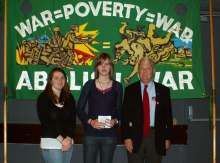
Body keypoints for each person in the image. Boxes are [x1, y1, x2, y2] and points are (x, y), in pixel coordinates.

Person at [121, 57, 173, 163]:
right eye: (141, 68)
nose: (144, 71)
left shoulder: (163, 91)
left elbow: (168, 116)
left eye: (148, 68)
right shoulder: (130, 90)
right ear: (138, 71)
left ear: (153, 70)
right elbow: (124, 117)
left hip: (156, 136)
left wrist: (167, 138)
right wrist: (126, 138)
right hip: (135, 136)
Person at [76, 52, 123, 163]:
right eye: (100, 64)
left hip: (109, 135)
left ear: (111, 67)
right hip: (91, 134)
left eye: (106, 64)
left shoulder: (117, 86)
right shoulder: (89, 85)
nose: (103, 67)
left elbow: (119, 110)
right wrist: (90, 121)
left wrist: (115, 121)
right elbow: (79, 109)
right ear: (96, 67)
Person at [37, 67, 76, 163]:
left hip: (68, 144)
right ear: (50, 80)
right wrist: (62, 140)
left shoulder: (69, 97)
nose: (60, 80)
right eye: (56, 78)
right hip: (51, 145)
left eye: (62, 78)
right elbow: (46, 123)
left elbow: (72, 121)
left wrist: (68, 138)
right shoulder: (43, 98)